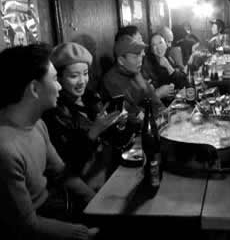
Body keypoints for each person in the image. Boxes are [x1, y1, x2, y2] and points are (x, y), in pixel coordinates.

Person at [0, 44, 99, 239]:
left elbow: (62, 172)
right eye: (55, 79)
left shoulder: (37, 124)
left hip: (57, 206)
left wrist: (96, 201)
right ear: (35, 89)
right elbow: (27, 224)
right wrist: (82, 233)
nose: (60, 86)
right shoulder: (6, 149)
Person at [43, 42, 126, 192]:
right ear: (59, 78)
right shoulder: (55, 112)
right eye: (74, 76)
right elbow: (68, 167)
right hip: (87, 185)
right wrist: (93, 132)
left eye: (85, 73)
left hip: (112, 170)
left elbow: (110, 140)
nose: (82, 81)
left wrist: (117, 125)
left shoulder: (92, 97)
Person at [100, 34, 164, 127]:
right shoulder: (111, 81)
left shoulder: (134, 72)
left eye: (141, 55)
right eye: (135, 57)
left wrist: (165, 113)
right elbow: (132, 116)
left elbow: (155, 102)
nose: (140, 60)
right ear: (121, 61)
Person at [143, 33, 187, 106]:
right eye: (154, 45)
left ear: (165, 44)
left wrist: (168, 66)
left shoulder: (168, 57)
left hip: (172, 104)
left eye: (160, 43)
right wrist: (159, 93)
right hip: (158, 108)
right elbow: (145, 95)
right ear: (151, 49)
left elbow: (182, 81)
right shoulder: (147, 63)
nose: (158, 47)